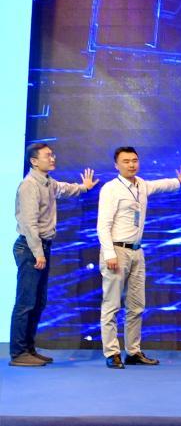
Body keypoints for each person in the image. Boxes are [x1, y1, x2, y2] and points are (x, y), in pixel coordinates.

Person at [97, 146, 181, 369]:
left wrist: (178, 182)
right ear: (116, 165)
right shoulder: (111, 189)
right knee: (111, 305)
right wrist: (109, 253)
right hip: (116, 251)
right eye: (126, 161)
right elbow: (103, 225)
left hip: (137, 252)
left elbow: (159, 185)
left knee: (136, 305)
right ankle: (112, 352)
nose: (131, 164)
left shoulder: (141, 185)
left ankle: (133, 351)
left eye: (134, 160)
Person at [9, 143, 98, 367]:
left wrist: (84, 187)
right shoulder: (29, 186)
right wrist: (38, 253)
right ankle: (18, 353)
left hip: (41, 247)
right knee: (26, 302)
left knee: (38, 302)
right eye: (47, 155)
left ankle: (28, 348)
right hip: (30, 247)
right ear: (34, 161)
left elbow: (64, 189)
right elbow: (29, 224)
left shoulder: (47, 182)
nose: (52, 158)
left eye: (52, 155)